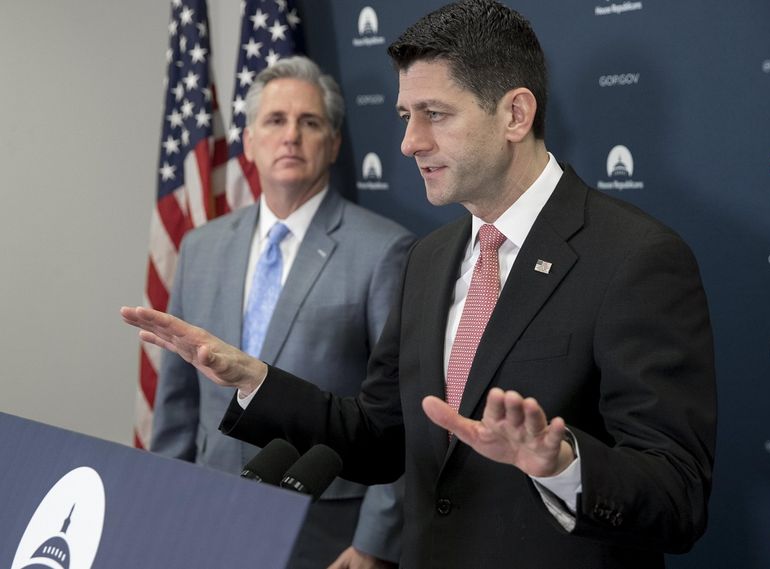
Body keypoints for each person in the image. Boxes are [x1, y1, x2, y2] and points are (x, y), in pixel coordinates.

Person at [124, 2, 716, 567]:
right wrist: (255, 381)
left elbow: (677, 495)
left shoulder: (635, 258)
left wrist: (560, 463)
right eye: (407, 117)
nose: (409, 142)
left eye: (435, 114)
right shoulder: (430, 258)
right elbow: (378, 435)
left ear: (515, 114)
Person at [147, 56, 413, 569]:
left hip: (327, 528)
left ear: (333, 143)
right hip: (208, 514)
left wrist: (376, 543)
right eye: (275, 121)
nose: (291, 136)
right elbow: (177, 406)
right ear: (248, 142)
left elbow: (397, 416)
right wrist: (161, 503)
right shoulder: (200, 247)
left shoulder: (385, 252)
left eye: (309, 122)